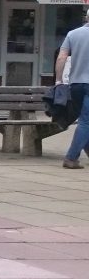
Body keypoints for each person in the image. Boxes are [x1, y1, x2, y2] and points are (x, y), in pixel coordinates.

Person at [56, 10, 89, 169]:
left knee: (85, 119)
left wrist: (58, 80)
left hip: (75, 84)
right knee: (86, 121)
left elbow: (62, 57)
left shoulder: (73, 34)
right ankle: (71, 157)